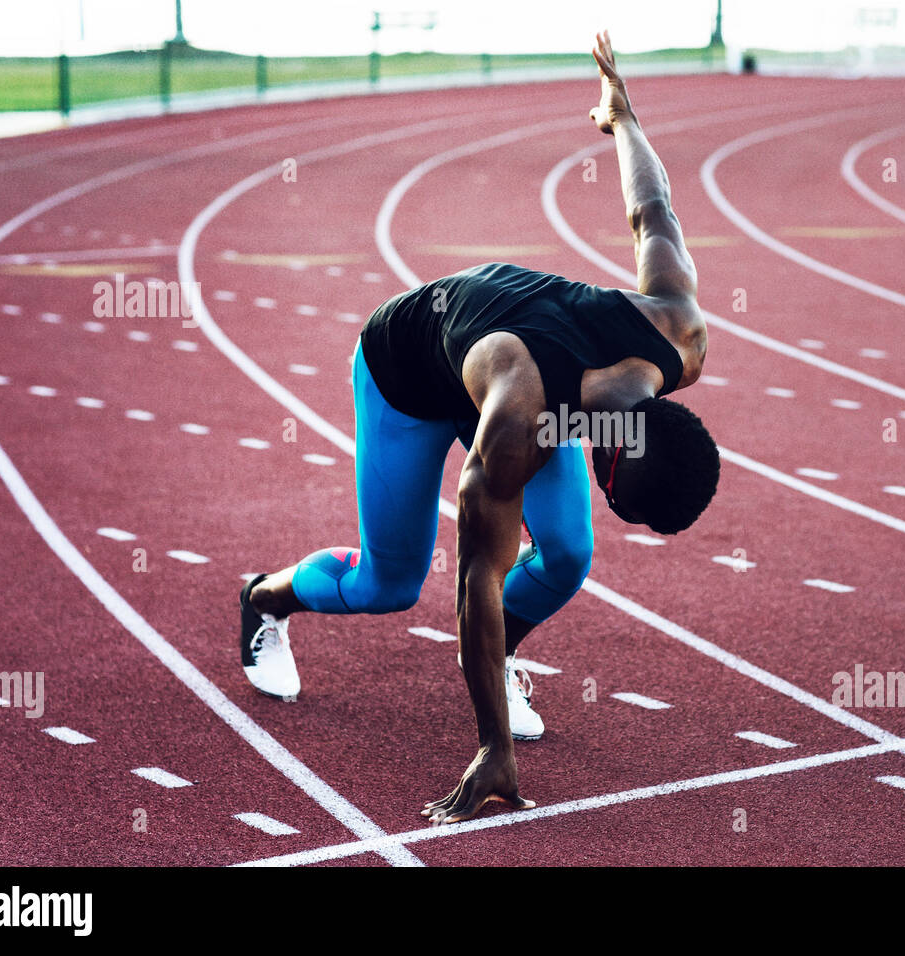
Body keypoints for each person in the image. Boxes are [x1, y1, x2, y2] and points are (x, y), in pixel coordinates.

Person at [238, 31, 719, 824]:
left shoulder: (680, 333)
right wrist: (492, 746)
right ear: (604, 460)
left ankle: (497, 664)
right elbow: (476, 583)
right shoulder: (522, 426)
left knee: (567, 554)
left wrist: (624, 120)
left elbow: (652, 208)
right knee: (389, 584)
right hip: (407, 367)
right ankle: (264, 600)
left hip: (502, 346)